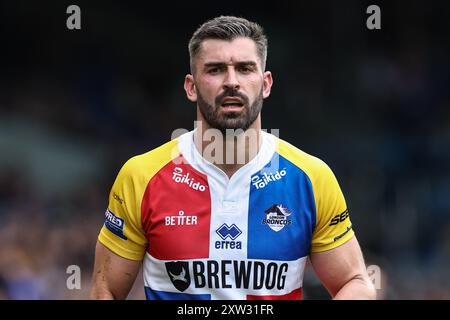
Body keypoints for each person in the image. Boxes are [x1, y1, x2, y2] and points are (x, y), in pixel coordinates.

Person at [90, 16, 376, 300]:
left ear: (265, 84)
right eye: (215, 70)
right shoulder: (141, 176)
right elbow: (106, 290)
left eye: (244, 69)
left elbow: (354, 282)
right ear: (191, 87)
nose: (231, 82)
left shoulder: (311, 178)